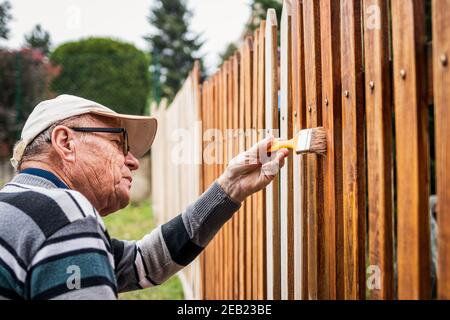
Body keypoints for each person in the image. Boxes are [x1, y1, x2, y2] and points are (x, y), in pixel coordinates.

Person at [0, 94, 289, 300]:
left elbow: (142, 262)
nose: (133, 161)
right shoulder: (64, 213)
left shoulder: (17, 213)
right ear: (66, 143)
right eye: (118, 143)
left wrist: (229, 188)